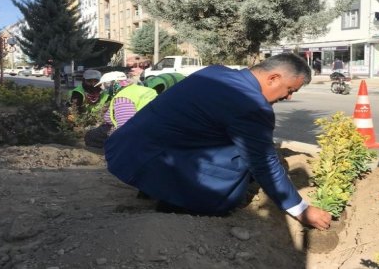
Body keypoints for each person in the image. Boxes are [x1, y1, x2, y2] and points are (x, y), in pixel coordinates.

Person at [103, 53, 332, 230]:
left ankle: (150, 187)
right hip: (160, 160)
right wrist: (301, 210)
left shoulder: (214, 72)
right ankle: (176, 202)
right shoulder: (252, 106)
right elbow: (263, 162)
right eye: (290, 89)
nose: (288, 97)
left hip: (128, 151)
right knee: (241, 170)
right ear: (273, 78)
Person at [84, 71, 157, 148]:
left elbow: (126, 128)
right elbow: (109, 117)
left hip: (143, 135)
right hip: (155, 127)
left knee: (92, 136)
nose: (102, 88)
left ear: (112, 84)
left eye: (104, 85)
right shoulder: (141, 89)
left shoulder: (122, 98)